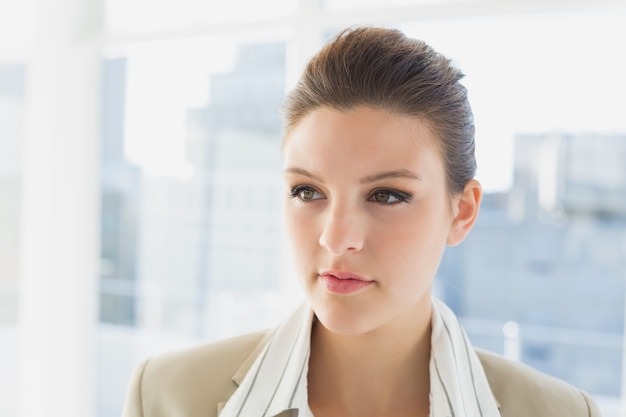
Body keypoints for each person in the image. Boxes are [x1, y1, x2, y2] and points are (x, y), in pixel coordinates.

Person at [121, 26, 601, 417]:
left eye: (387, 195)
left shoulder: (561, 412)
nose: (336, 238)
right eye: (307, 191)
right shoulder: (166, 399)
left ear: (463, 211)